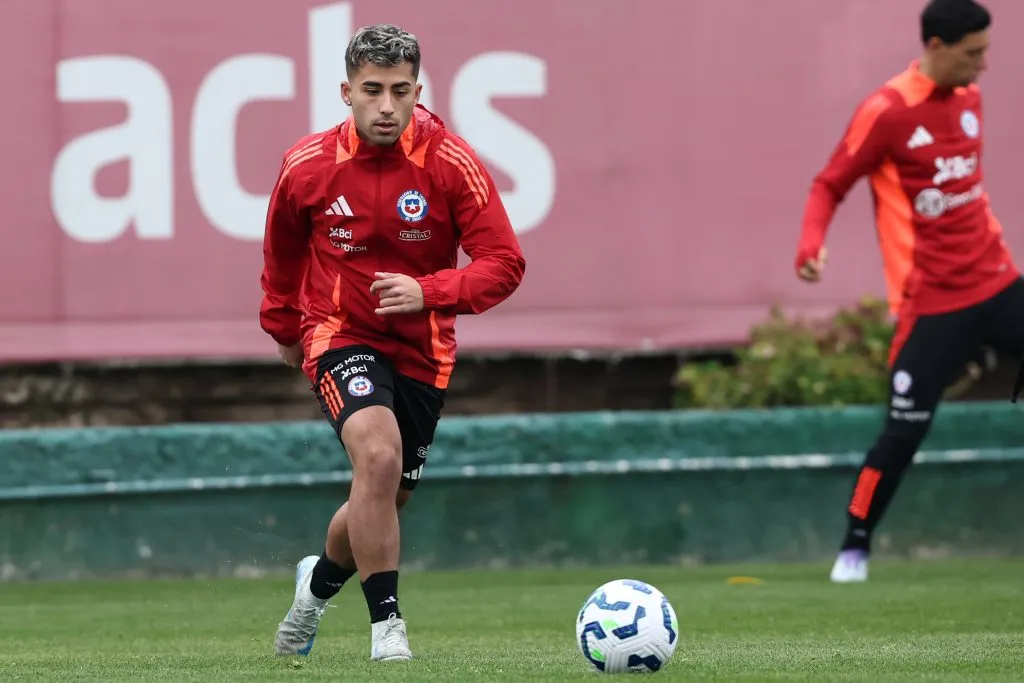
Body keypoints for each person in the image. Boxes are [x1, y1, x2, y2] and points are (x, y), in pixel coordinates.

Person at [259, 23, 526, 659]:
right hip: (338, 334)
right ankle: (388, 630)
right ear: (346, 91)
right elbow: (281, 252)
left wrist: (429, 291)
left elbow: (504, 263)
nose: (386, 106)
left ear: (418, 91)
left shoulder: (450, 163)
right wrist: (282, 328)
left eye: (400, 91)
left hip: (421, 353)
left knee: (385, 495)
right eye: (372, 90)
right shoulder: (307, 166)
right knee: (375, 459)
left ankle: (313, 592)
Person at [794, 0, 1024, 583]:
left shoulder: (969, 98)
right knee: (903, 432)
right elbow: (829, 183)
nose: (983, 64)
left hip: (998, 282)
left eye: (987, 51)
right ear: (937, 47)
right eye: (974, 54)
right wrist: (809, 245)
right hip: (933, 305)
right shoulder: (887, 111)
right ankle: (854, 547)